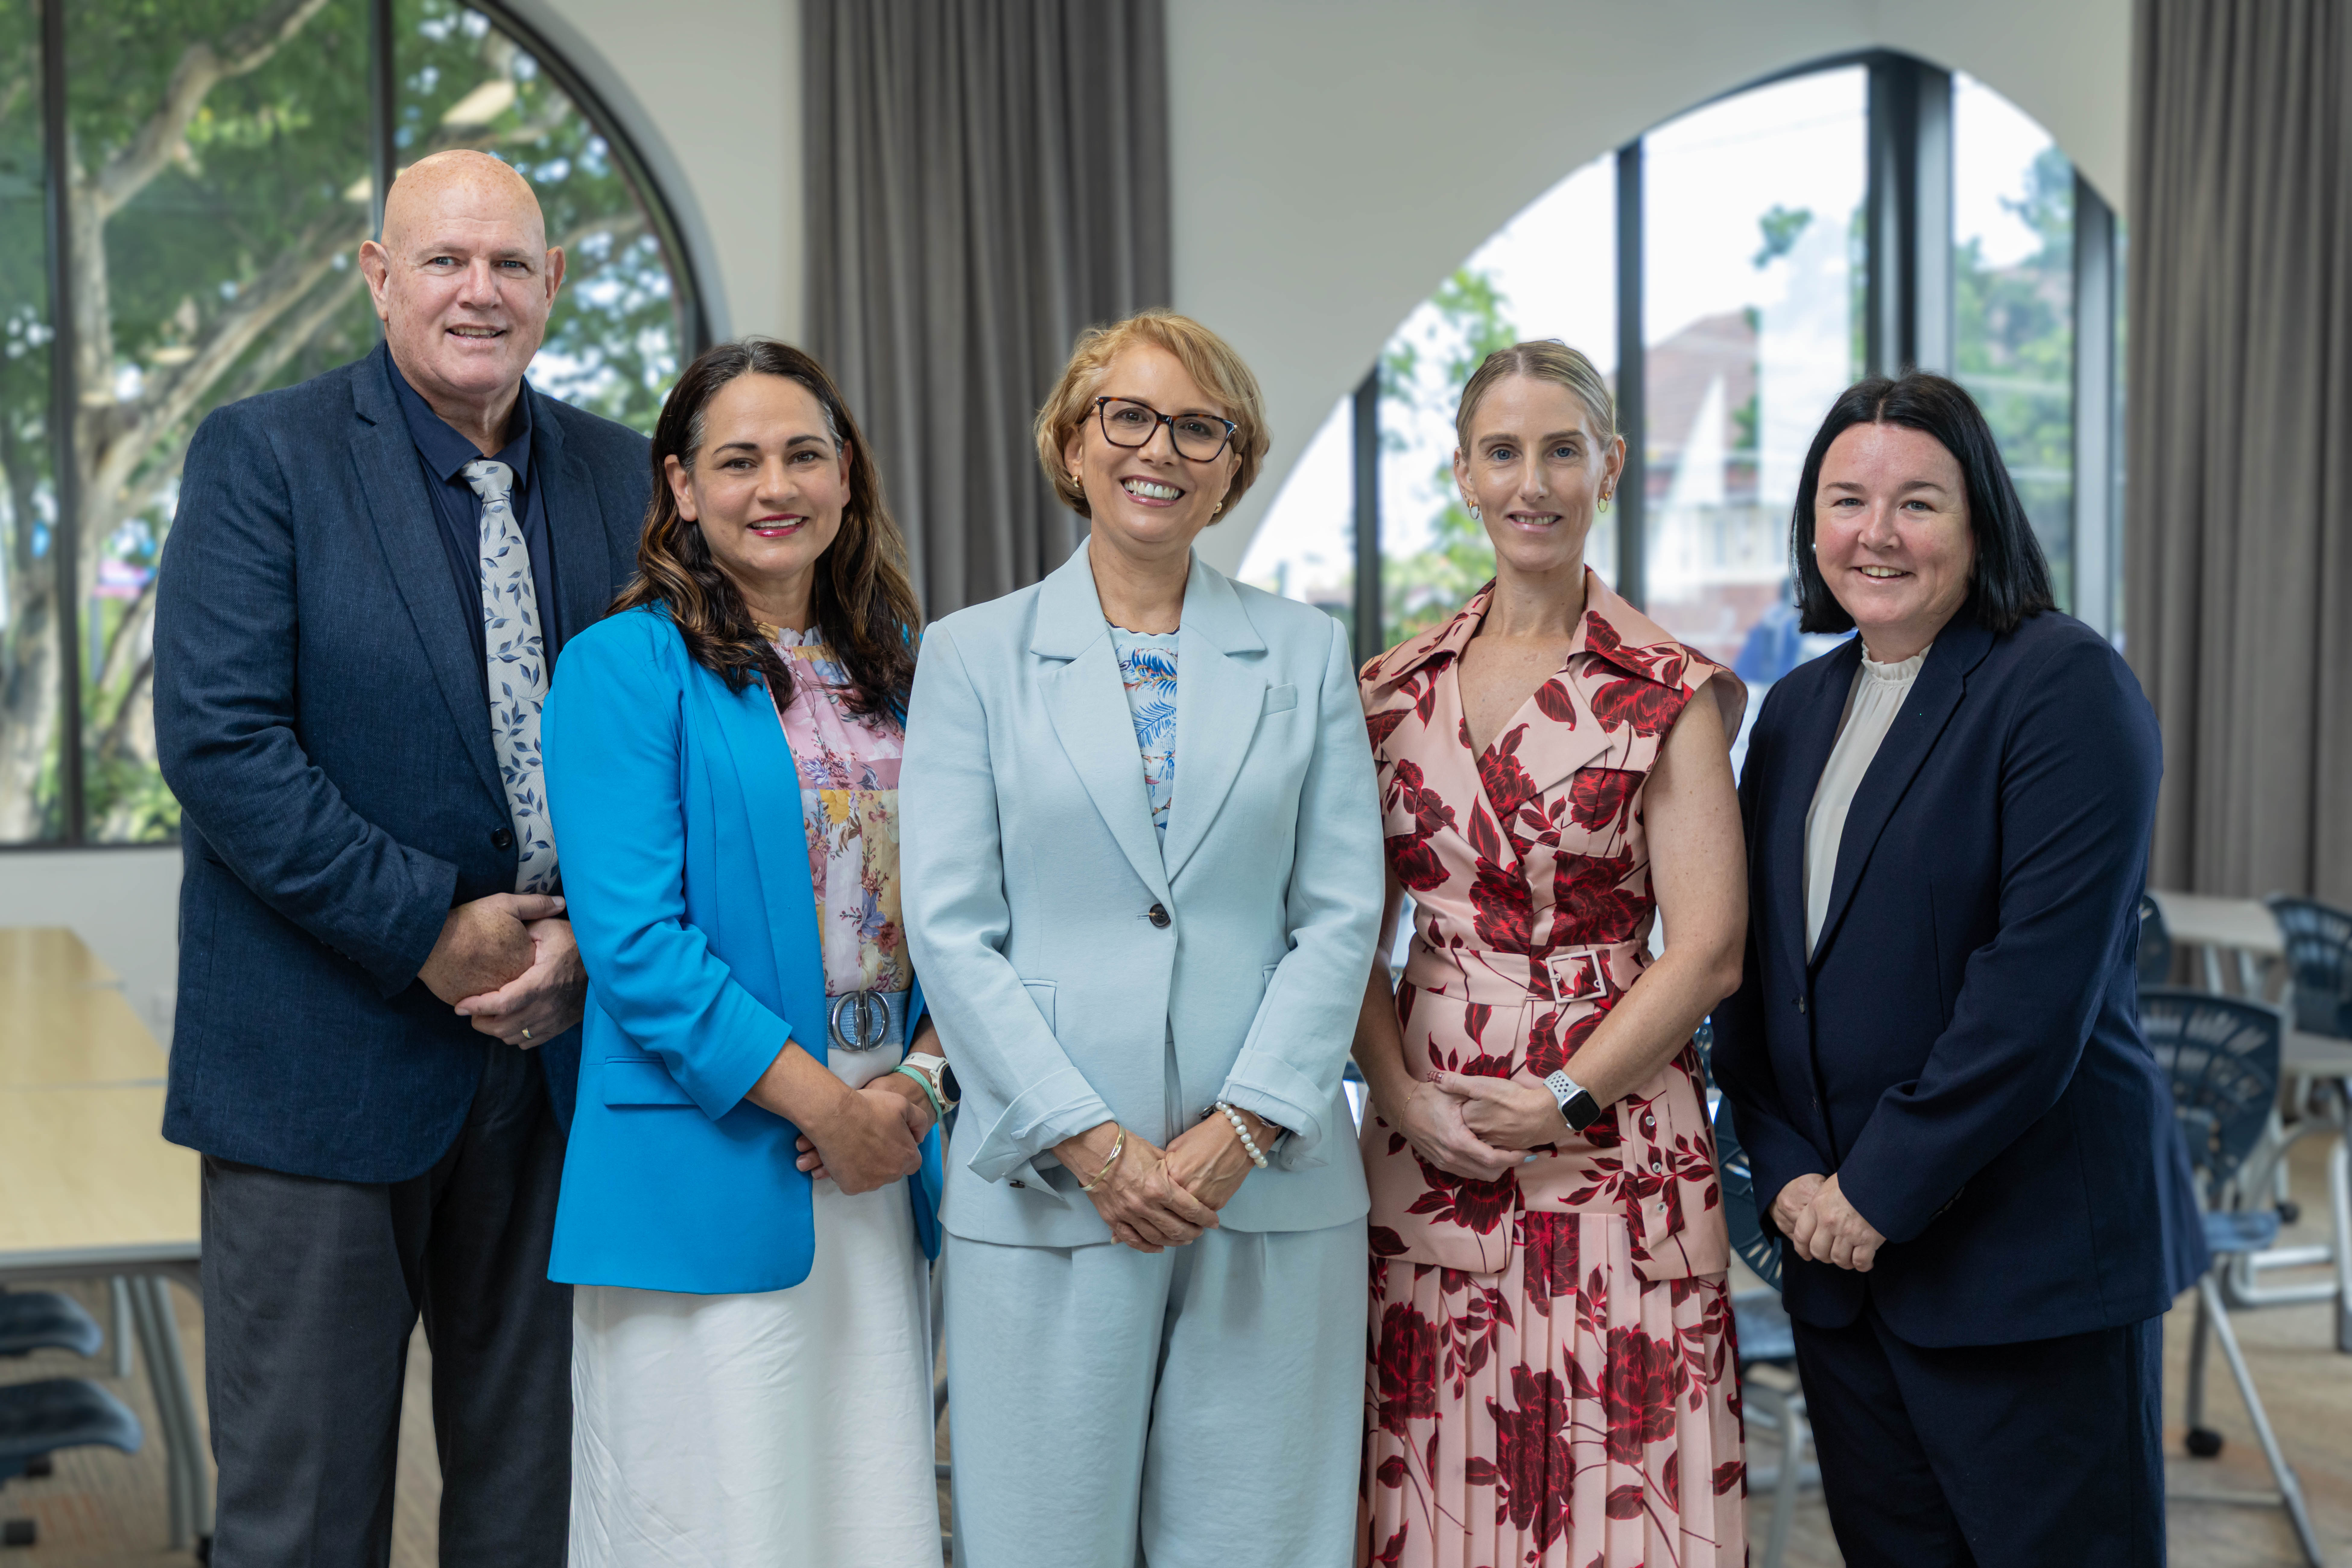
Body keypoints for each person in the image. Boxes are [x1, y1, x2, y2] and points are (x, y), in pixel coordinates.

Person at [153, 150, 651, 1565]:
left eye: (509, 264)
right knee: (302, 1519)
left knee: (540, 1512)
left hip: (563, 1080)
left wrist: (587, 944)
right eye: (444, 261)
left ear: (554, 284)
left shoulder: (626, 478)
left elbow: (677, 748)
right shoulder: (264, 456)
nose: (477, 291)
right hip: (319, 1073)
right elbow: (222, 745)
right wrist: (432, 925)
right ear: (380, 278)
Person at [901, 308, 1384, 1568]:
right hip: (1055, 1185)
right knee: (1043, 1542)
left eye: (1198, 425)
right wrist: (1095, 1144)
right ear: (1072, 441)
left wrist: (1243, 1131)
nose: (1156, 447)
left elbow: (1339, 916)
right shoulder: (970, 656)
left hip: (1267, 1189)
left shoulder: (1304, 652)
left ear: (1235, 460)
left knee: (1259, 1542)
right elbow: (951, 930)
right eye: (1127, 415)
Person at [1708, 372, 2208, 1566]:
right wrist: (1783, 1177)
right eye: (1846, 500)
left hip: (2023, 1269)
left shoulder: (2065, 686)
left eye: (1918, 501)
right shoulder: (1797, 710)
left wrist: (1872, 1193)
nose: (1876, 533)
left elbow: (2033, 999)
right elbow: (1762, 980)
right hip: (1840, 1270)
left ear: (1979, 518)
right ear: (1810, 524)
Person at [542, 338, 948, 1566]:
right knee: (717, 1519)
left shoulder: (903, 668)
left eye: (803, 454)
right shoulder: (620, 666)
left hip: (886, 1144)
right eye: (738, 460)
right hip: (713, 1151)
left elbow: (968, 913)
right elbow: (637, 947)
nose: (775, 486)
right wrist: (829, 1103)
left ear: (844, 475)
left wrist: (914, 1094)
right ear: (681, 486)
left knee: (867, 1507)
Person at [1352, 341, 1749, 1568]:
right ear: (1463, 473)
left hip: (1619, 1133)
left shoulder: (1665, 689)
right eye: (1506, 451)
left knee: (1625, 1502)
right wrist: (1405, 1094)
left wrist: (1565, 1095)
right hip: (1437, 1129)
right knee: (1437, 1486)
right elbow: (1342, 938)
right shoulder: (1385, 693)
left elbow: (1710, 951)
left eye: (1563, 449)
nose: (1535, 480)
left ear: (1610, 468)